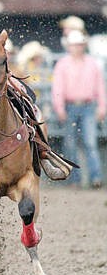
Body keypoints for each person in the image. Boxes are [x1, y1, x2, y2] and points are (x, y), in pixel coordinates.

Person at [52, 30, 106, 189]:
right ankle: (75, 180)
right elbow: (58, 88)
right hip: (70, 107)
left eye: (79, 44)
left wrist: (102, 107)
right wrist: (60, 108)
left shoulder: (92, 63)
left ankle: (95, 178)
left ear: (83, 46)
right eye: (75, 44)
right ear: (69, 46)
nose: (77, 47)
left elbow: (100, 88)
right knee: (71, 144)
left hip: (88, 106)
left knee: (90, 143)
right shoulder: (63, 64)